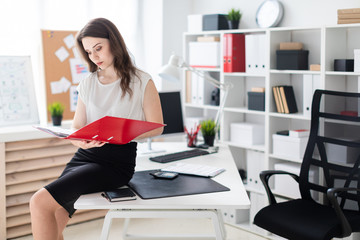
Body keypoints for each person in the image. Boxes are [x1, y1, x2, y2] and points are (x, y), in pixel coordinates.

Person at [29, 18, 164, 240]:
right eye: (89, 52)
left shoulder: (142, 81)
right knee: (54, 217)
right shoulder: (88, 83)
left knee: (39, 201)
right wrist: (79, 140)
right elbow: (76, 127)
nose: (95, 56)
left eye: (98, 48)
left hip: (116, 162)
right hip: (84, 156)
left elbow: (157, 127)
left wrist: (123, 131)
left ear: (114, 42)